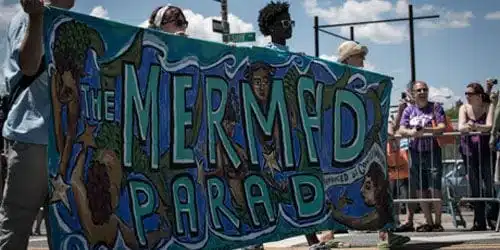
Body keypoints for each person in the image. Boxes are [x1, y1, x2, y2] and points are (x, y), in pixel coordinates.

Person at [0, 0, 74, 249]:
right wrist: (36, 17)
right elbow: (29, 65)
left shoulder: (62, 20)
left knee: (66, 223)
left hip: (59, 139)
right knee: (18, 221)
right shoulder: (28, 17)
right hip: (32, 137)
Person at [337, 41, 410, 249]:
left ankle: (385, 235)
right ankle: (332, 234)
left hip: (363, 147)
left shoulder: (363, 82)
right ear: (347, 58)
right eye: (358, 55)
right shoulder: (340, 80)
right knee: (343, 191)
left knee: (378, 189)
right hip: (347, 149)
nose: (362, 59)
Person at [398, 80, 446, 233]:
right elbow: (401, 129)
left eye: (425, 89)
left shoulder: (435, 107)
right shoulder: (409, 110)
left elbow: (441, 127)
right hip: (415, 152)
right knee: (420, 188)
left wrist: (425, 131)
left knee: (435, 187)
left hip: (432, 151)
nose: (422, 92)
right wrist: (412, 132)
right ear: (413, 93)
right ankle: (428, 221)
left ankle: (438, 222)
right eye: (418, 90)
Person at [458, 83, 497, 231]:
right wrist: (475, 127)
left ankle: (492, 218)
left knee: (489, 186)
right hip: (469, 151)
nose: (467, 96)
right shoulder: (464, 108)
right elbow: (461, 127)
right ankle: (478, 221)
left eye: (470, 93)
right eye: (466, 93)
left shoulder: (488, 106)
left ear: (479, 95)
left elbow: (489, 125)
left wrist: (473, 127)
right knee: (475, 187)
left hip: (487, 151)